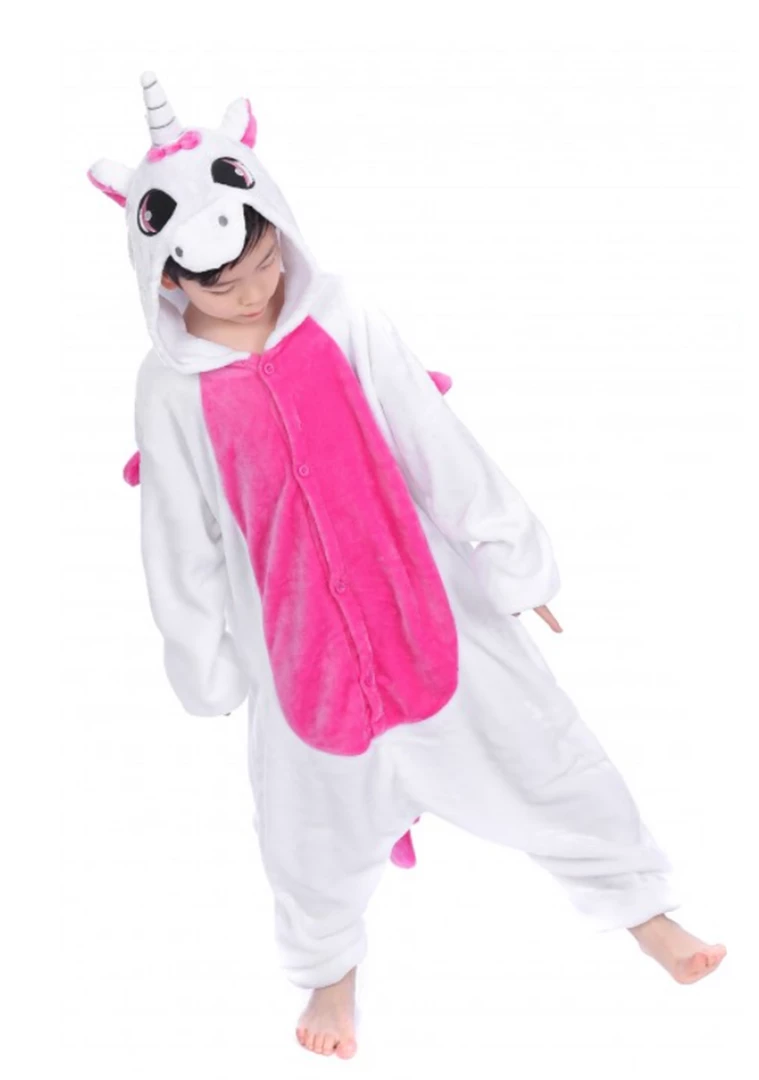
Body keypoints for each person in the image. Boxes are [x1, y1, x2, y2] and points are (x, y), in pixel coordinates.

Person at [87, 72, 727, 1060]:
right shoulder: (169, 392)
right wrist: (202, 659)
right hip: (296, 653)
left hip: (426, 606)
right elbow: (176, 536)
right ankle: (329, 973)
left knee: (540, 749)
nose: (254, 288)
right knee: (306, 830)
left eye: (264, 258)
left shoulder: (341, 313)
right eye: (223, 282)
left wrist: (510, 557)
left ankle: (642, 906)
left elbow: (429, 435)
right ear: (167, 280)